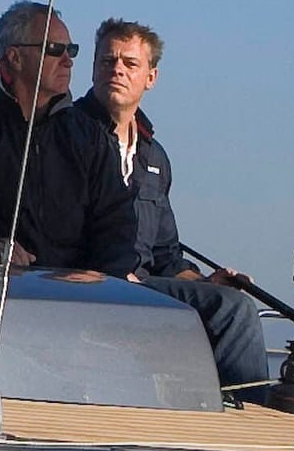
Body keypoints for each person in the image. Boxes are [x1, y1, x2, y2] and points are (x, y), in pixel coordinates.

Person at [75, 20, 270, 391]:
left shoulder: (155, 157)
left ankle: (234, 405)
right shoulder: (67, 137)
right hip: (90, 287)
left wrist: (208, 283)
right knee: (235, 311)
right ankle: (253, 413)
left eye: (130, 63)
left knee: (230, 300)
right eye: (107, 61)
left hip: (144, 288)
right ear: (94, 68)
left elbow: (166, 255)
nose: (117, 70)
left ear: (151, 77)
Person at [0, 0, 136, 277]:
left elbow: (118, 226)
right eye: (54, 49)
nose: (67, 61)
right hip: (1, 292)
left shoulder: (90, 138)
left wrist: (98, 278)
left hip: (78, 295)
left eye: (71, 50)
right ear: (15, 58)